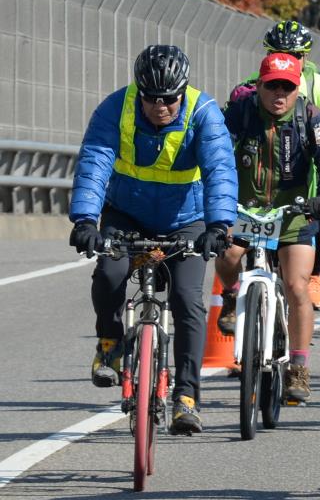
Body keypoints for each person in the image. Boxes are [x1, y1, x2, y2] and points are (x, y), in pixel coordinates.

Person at [68, 45, 236, 435]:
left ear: (183, 92)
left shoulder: (204, 112)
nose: (160, 106)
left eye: (169, 99)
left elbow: (220, 171)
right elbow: (94, 161)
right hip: (126, 214)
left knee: (187, 300)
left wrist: (218, 225)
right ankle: (109, 342)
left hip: (187, 221)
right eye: (151, 98)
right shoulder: (116, 108)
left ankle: (187, 397)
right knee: (109, 274)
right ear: (139, 91)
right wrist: (84, 220)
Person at [216, 53, 320, 405]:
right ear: (258, 85)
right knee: (228, 253)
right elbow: (215, 151)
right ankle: (231, 297)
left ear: (296, 88)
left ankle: (299, 368)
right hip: (245, 209)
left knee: (296, 286)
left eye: (287, 87)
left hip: (294, 214)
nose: (279, 93)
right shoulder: (240, 113)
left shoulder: (310, 116)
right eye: (272, 85)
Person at [231, 19, 320, 311]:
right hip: (255, 190)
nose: (286, 60)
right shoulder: (249, 87)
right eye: (276, 53)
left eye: (295, 55)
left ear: (305, 57)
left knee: (316, 228)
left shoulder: (319, 88)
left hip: (303, 182)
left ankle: (314, 277)